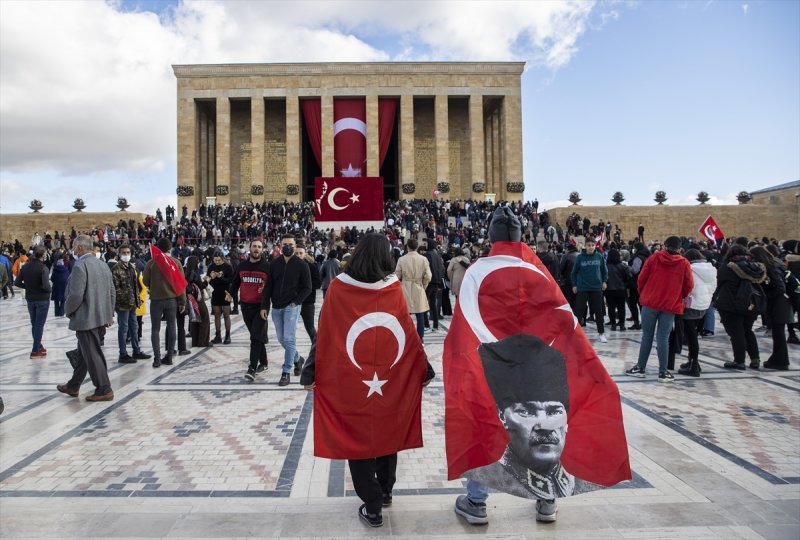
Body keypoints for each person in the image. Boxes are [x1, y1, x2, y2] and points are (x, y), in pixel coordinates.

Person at [300, 233, 434, 528]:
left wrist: (309, 371)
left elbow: (324, 332)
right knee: (387, 428)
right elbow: (407, 332)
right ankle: (385, 490)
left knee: (356, 434)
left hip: (350, 379)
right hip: (388, 376)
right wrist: (424, 368)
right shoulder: (393, 288)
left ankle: (372, 503)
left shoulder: (337, 288)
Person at [625, 236, 694, 382]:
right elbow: (689, 286)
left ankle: (640, 367)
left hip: (650, 302)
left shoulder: (654, 258)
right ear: (679, 248)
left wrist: (644, 292)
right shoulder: (684, 263)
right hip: (670, 305)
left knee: (647, 336)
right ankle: (663, 372)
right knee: (663, 338)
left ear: (665, 246)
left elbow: (641, 278)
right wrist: (678, 295)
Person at [56, 235, 116, 401]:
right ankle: (74, 385)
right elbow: (112, 291)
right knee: (84, 353)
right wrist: (109, 313)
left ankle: (104, 388)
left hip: (85, 318)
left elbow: (76, 295)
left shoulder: (80, 266)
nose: (73, 250)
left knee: (92, 353)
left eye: (74, 247)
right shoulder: (103, 265)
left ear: (81, 248)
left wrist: (68, 310)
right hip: (100, 317)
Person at [261, 234, 311, 386]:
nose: (287, 246)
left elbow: (307, 287)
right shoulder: (274, 264)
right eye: (285, 244)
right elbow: (268, 286)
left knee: (289, 339)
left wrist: (296, 303)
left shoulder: (302, 265)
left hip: (291, 307)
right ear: (281, 246)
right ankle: (297, 358)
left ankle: (286, 371)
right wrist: (264, 305)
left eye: (290, 244)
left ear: (295, 246)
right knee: (282, 339)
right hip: (276, 307)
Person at [712, 244, 766, 370]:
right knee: (748, 330)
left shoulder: (727, 267)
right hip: (751, 304)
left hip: (731, 304)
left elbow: (718, 281)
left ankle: (739, 361)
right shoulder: (754, 266)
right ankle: (755, 359)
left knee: (736, 333)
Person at [228, 239, 270, 381]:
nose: (256, 249)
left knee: (254, 337)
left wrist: (266, 296)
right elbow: (236, 283)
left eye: (259, 247)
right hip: (245, 306)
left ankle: (252, 368)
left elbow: (271, 287)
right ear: (249, 248)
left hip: (261, 307)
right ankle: (264, 363)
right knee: (256, 336)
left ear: (262, 249)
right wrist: (230, 294)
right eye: (254, 246)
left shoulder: (267, 267)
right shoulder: (242, 266)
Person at [143, 238, 186, 368]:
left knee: (155, 329)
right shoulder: (176, 262)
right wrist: (182, 301)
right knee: (172, 326)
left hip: (156, 300)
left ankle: (157, 359)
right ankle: (169, 356)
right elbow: (181, 284)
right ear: (170, 248)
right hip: (172, 300)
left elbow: (145, 281)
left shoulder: (151, 263)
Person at [675, 249, 717, 377]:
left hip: (691, 304)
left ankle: (694, 364)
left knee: (691, 336)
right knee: (693, 333)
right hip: (704, 305)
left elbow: (688, 287)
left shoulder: (690, 268)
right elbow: (713, 287)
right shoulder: (711, 269)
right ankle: (692, 361)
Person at [750, 246, 792, 370]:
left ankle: (781, 361)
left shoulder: (772, 267)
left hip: (779, 304)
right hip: (781, 302)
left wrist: (766, 296)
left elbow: (780, 288)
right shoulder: (776, 263)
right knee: (778, 333)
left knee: (779, 334)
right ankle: (777, 358)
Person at [110, 244, 151, 363]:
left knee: (134, 327)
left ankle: (136, 350)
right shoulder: (116, 269)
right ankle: (123, 354)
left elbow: (136, 285)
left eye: (128, 252)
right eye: (123, 253)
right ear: (119, 254)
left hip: (133, 303)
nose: (126, 255)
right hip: (123, 305)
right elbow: (115, 289)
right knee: (123, 328)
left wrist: (138, 299)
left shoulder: (132, 268)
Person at [14, 245, 51, 359]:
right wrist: (49, 289)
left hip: (30, 299)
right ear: (43, 255)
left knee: (34, 324)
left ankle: (38, 345)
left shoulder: (25, 267)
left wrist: (29, 287)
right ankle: (35, 351)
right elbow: (46, 286)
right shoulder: (43, 268)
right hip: (42, 299)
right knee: (39, 325)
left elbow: (17, 282)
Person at [570, 238, 608, 342]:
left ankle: (601, 333)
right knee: (579, 311)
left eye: (592, 245)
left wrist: (604, 281)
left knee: (598, 311)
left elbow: (604, 270)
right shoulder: (580, 258)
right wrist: (574, 285)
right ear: (585, 246)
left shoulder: (599, 257)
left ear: (595, 246)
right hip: (582, 288)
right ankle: (575, 333)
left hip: (596, 287)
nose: (591, 247)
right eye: (589, 245)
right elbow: (573, 273)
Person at [395, 239, 431, 342]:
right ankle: (420, 338)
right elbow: (428, 276)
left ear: (407, 247)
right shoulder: (423, 259)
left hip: (405, 286)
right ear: (417, 247)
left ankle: (406, 337)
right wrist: (423, 286)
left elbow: (397, 275)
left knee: (405, 315)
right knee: (420, 314)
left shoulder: (402, 259)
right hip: (418, 286)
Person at [292, 242, 321, 376]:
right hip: (293, 303)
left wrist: (304, 287)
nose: (298, 255)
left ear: (305, 254)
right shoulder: (290, 266)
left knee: (310, 328)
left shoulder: (312, 266)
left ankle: (318, 353)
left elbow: (317, 283)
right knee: (290, 331)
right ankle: (296, 359)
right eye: (296, 253)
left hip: (307, 302)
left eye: (300, 253)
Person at [184, 256, 211, 348]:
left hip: (190, 298)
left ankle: (195, 341)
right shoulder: (194, 273)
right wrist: (207, 281)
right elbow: (201, 286)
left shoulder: (186, 272)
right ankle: (203, 342)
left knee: (195, 320)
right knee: (204, 318)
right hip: (197, 298)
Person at [207, 251, 233, 344]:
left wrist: (221, 277)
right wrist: (211, 278)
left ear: (222, 259)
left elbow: (231, 279)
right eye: (215, 260)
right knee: (217, 314)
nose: (217, 262)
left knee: (226, 314)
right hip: (215, 291)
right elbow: (208, 279)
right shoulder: (211, 266)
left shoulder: (228, 266)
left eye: (219, 260)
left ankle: (228, 335)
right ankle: (218, 335)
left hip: (225, 291)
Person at [604, 248, 631, 331]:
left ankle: (613, 324)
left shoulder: (606, 267)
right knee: (621, 307)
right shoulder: (623, 266)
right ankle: (622, 324)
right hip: (621, 289)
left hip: (609, 290)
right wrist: (624, 284)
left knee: (611, 308)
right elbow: (629, 277)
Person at [421, 240, 445, 333]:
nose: (424, 245)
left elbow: (426, 270)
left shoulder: (427, 255)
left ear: (429, 244)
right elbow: (441, 269)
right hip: (436, 282)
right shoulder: (437, 255)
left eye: (425, 243)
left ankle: (426, 326)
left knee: (423, 305)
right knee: (433, 305)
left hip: (429, 282)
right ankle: (436, 325)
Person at [50, 251, 70, 317]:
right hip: (63, 287)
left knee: (56, 301)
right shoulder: (66, 270)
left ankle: (56, 313)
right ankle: (61, 312)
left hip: (56, 287)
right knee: (63, 300)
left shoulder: (55, 270)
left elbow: (52, 279)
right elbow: (68, 278)